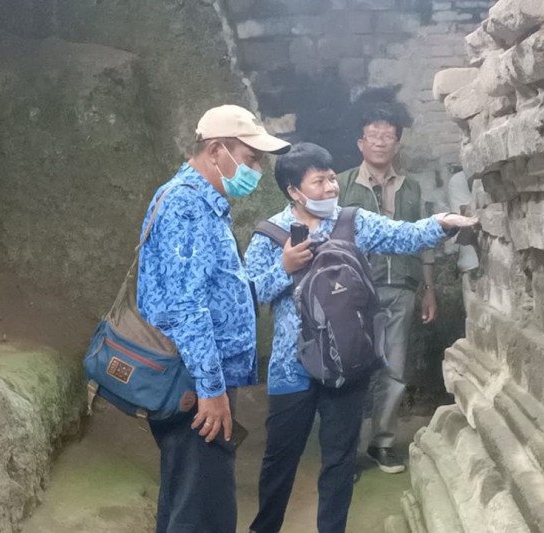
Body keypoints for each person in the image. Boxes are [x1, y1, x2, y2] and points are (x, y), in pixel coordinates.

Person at [245, 142, 476, 533]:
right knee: (281, 459)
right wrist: (283, 267)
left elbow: (402, 235)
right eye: (319, 181)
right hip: (292, 367)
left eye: (332, 177)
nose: (331, 187)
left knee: (339, 459)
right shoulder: (269, 235)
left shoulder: (352, 222)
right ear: (293, 191)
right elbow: (249, 293)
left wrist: (440, 223)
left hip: (347, 360)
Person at [137, 104, 290, 533]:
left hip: (200, 376)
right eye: (250, 158)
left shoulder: (205, 203)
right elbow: (187, 304)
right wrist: (211, 389)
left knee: (190, 495)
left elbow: (221, 291)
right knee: (204, 507)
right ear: (217, 150)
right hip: (192, 380)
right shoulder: (186, 205)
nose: (256, 169)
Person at [337, 105, 434, 474]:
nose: (380, 142)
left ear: (397, 144)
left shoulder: (411, 187)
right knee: (351, 367)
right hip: (355, 290)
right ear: (361, 143)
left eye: (388, 136)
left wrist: (428, 287)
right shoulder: (343, 184)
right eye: (373, 135)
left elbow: (424, 238)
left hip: (402, 288)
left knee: (393, 370)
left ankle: (382, 444)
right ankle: (345, 450)